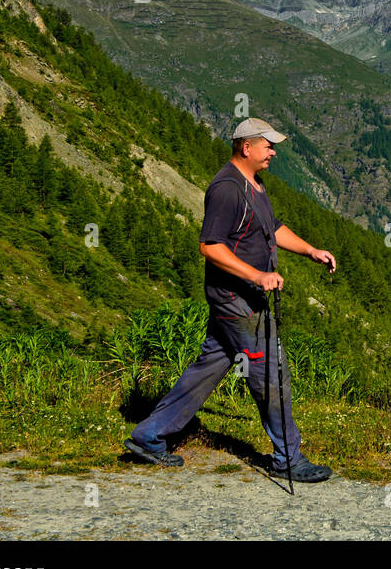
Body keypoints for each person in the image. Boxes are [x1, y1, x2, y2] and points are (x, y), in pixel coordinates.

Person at [124, 117, 336, 483]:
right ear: (246, 147)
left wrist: (310, 250)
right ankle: (289, 458)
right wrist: (257, 275)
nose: (273, 151)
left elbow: (274, 227)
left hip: (243, 299)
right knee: (270, 372)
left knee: (209, 367)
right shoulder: (226, 189)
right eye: (267, 145)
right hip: (236, 300)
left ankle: (148, 435)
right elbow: (209, 246)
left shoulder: (254, 184)